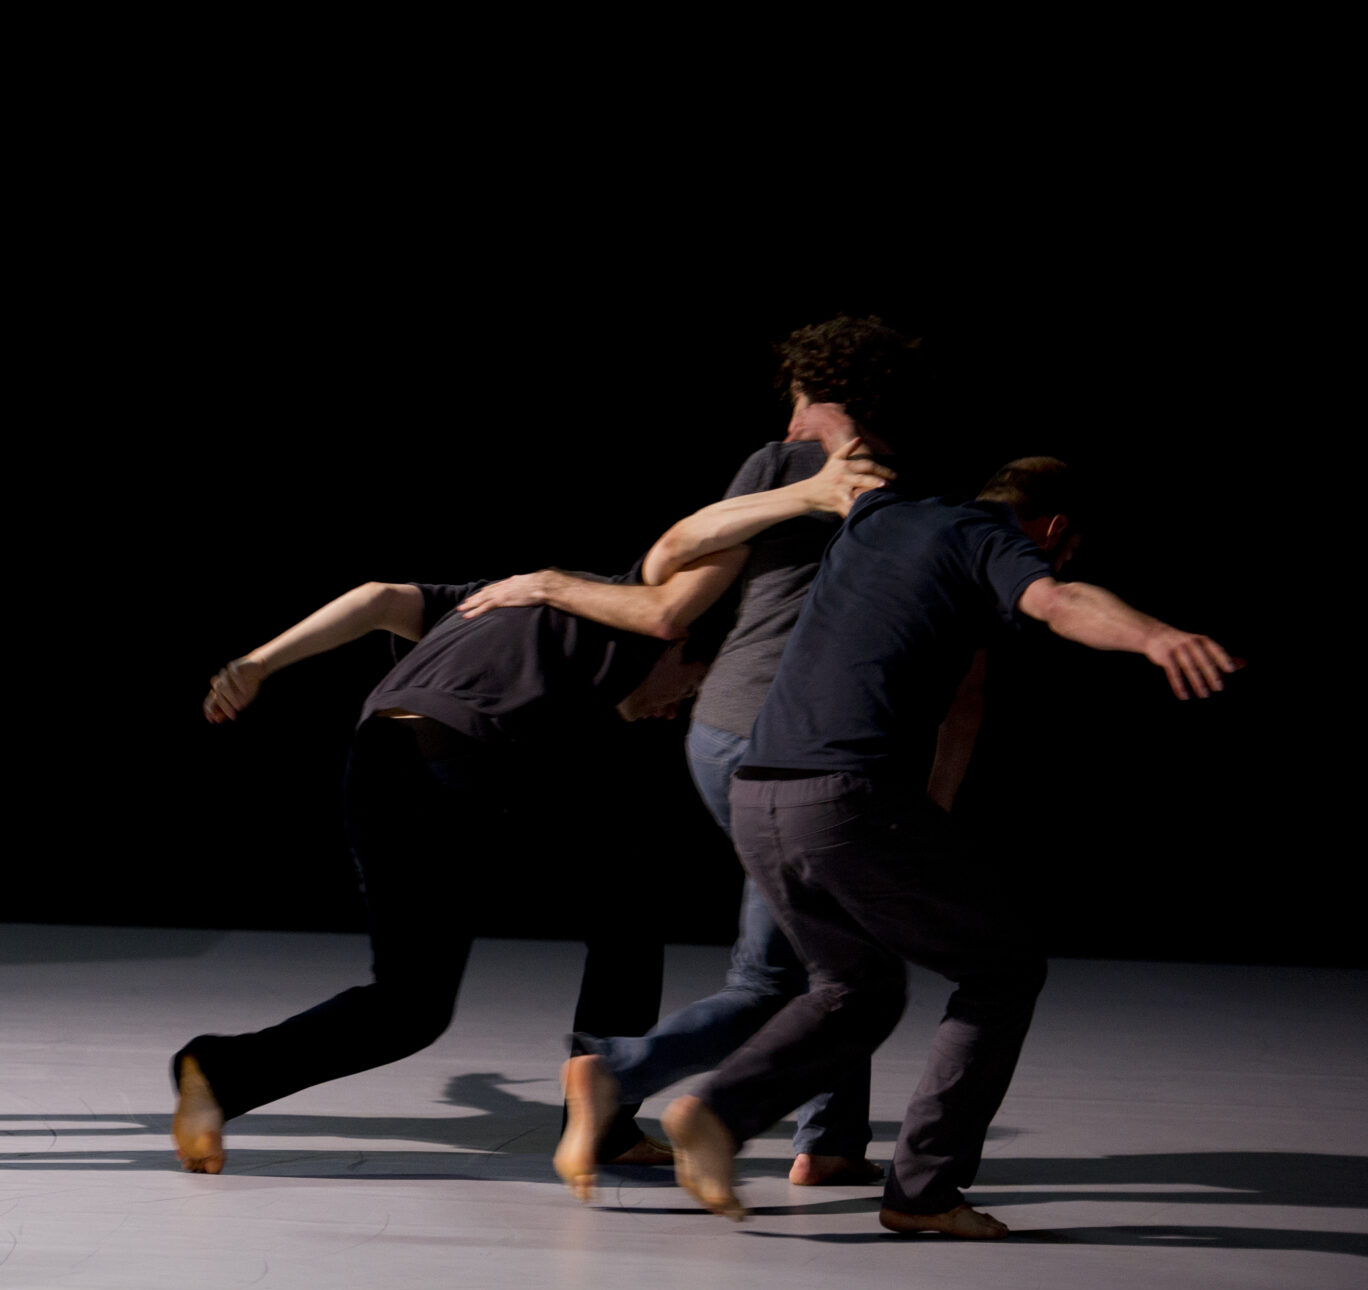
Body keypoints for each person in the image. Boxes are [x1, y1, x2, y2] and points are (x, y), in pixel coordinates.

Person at [171, 444, 890, 1176]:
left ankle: (220, 1074)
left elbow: (379, 597)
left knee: (409, 1005)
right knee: (630, 904)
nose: (673, 709)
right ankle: (605, 1112)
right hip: (461, 755)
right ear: (681, 650)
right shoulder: (622, 610)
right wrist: (810, 493)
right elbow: (677, 573)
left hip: (378, 759)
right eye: (691, 689)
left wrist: (260, 662)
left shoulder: (495, 599)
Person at [662, 457, 1237, 1238]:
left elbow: (955, 681)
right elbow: (1057, 602)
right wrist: (1156, 635)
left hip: (758, 791)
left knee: (855, 987)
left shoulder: (881, 516)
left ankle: (717, 1111)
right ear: (1054, 528)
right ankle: (924, 1190)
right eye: (1061, 549)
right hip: (845, 795)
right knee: (1002, 970)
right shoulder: (989, 538)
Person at [457, 316, 920, 1199]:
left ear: (826, 397)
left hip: (737, 730)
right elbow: (674, 580)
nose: (790, 420)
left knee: (833, 945)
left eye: (798, 400)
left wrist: (553, 582)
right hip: (802, 744)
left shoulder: (786, 464)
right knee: (807, 969)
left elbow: (672, 578)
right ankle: (623, 1073)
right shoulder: (853, 480)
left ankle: (828, 1138)